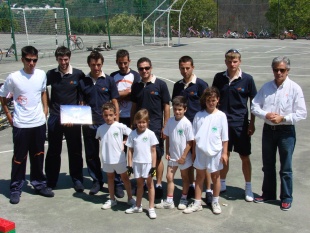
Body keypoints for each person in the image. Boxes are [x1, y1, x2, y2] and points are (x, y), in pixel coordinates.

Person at [251, 56, 307, 211]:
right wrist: (265, 115)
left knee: (286, 167)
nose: (278, 73)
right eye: (276, 70)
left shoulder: (294, 88)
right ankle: (268, 193)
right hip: (269, 130)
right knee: (268, 165)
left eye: (282, 70)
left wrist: (284, 118)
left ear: (287, 71)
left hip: (286, 132)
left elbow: (302, 113)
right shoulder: (267, 87)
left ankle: (286, 197)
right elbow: (255, 106)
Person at [0, 46, 54, 204]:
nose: (32, 63)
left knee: (38, 156)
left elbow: (43, 91)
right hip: (21, 125)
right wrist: (8, 115)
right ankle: (15, 188)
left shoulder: (41, 74)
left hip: (38, 123)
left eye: (34, 60)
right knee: (19, 158)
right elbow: (3, 95)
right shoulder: (14, 77)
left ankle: (39, 184)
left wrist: (45, 108)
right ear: (22, 59)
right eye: (28, 60)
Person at [212, 49, 257, 202]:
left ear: (240, 62)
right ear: (225, 62)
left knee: (244, 156)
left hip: (241, 124)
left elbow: (253, 103)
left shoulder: (247, 79)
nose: (232, 64)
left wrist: (252, 123)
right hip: (222, 124)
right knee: (224, 155)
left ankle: (248, 187)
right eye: (229, 61)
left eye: (235, 61)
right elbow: (213, 98)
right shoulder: (219, 78)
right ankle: (222, 183)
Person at [44, 46, 84, 193]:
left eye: (66, 59)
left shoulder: (78, 74)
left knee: (75, 151)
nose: (63, 62)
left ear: (69, 58)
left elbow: (82, 93)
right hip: (55, 117)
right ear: (57, 59)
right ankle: (51, 181)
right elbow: (42, 90)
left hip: (72, 118)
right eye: (60, 59)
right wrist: (47, 106)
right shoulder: (51, 74)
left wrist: (79, 109)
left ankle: (77, 179)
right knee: (54, 151)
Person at [79, 51, 120, 195]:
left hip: (107, 125)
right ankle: (97, 181)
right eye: (93, 65)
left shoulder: (109, 80)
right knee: (92, 154)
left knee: (113, 153)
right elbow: (81, 103)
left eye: (98, 64)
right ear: (89, 64)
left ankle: (117, 183)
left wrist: (117, 122)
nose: (96, 67)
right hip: (90, 124)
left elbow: (115, 101)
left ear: (102, 64)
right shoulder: (83, 82)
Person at [183, 87, 228, 215]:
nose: (211, 103)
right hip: (201, 152)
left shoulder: (221, 116)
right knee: (199, 177)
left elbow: (225, 138)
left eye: (213, 100)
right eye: (209, 100)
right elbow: (194, 137)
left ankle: (215, 201)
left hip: (215, 152)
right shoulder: (199, 115)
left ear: (218, 100)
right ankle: (197, 203)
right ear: (205, 101)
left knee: (215, 177)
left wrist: (224, 153)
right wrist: (194, 153)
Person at [130, 57, 170, 199]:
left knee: (157, 158)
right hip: (139, 128)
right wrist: (132, 124)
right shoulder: (136, 86)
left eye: (147, 68)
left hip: (156, 127)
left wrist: (165, 125)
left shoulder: (160, 85)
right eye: (141, 68)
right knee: (140, 156)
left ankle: (157, 184)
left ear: (151, 68)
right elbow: (134, 106)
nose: (144, 71)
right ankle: (144, 183)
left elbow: (166, 106)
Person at [172, 56, 210, 202]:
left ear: (193, 67)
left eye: (187, 68)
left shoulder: (201, 85)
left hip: (198, 129)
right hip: (183, 131)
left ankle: (208, 190)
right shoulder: (177, 86)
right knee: (188, 160)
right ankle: (192, 186)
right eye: (182, 68)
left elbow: (208, 107)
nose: (185, 71)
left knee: (201, 161)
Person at [154, 96, 194, 210]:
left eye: (180, 109)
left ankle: (184, 198)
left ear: (185, 109)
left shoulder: (186, 123)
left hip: (183, 158)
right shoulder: (170, 121)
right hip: (172, 156)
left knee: (184, 178)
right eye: (176, 109)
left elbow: (190, 142)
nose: (177, 111)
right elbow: (168, 138)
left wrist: (184, 156)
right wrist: (167, 152)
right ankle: (169, 201)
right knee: (169, 177)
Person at [110, 49, 140, 198]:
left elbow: (136, 94)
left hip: (132, 118)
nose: (123, 65)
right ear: (116, 62)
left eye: (125, 63)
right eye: (120, 63)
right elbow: (112, 95)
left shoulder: (136, 76)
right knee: (118, 151)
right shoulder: (112, 77)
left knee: (134, 151)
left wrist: (122, 94)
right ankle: (118, 183)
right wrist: (125, 93)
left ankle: (136, 180)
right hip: (118, 119)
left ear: (129, 61)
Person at [95, 103, 136, 210]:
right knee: (110, 178)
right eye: (105, 115)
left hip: (119, 159)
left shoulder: (119, 126)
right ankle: (112, 199)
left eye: (110, 115)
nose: (108, 117)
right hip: (107, 159)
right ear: (102, 115)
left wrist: (125, 141)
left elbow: (131, 133)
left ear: (115, 115)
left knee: (125, 178)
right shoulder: (100, 128)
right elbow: (100, 139)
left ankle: (130, 198)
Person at [125, 109, 158, 219]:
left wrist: (153, 167)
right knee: (139, 185)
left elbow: (153, 151)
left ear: (147, 122)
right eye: (139, 122)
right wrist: (129, 165)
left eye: (143, 122)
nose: (141, 124)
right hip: (136, 163)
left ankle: (151, 208)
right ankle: (138, 206)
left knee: (150, 185)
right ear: (135, 122)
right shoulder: (132, 134)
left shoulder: (150, 134)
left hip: (148, 164)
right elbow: (130, 151)